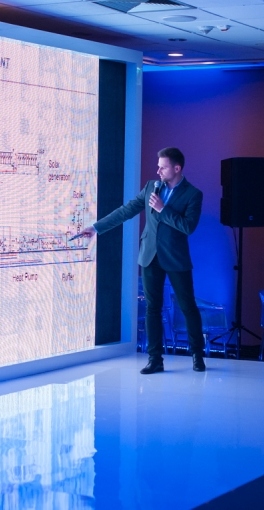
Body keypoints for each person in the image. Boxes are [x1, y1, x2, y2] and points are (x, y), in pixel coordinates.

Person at [82, 147, 205, 374]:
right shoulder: (151, 187)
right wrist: (96, 228)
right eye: (158, 166)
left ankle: (197, 355)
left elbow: (188, 227)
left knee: (188, 307)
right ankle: (155, 359)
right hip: (150, 256)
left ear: (177, 168)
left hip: (176, 258)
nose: (158, 171)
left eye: (163, 167)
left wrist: (163, 209)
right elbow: (127, 210)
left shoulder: (193, 194)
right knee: (152, 308)